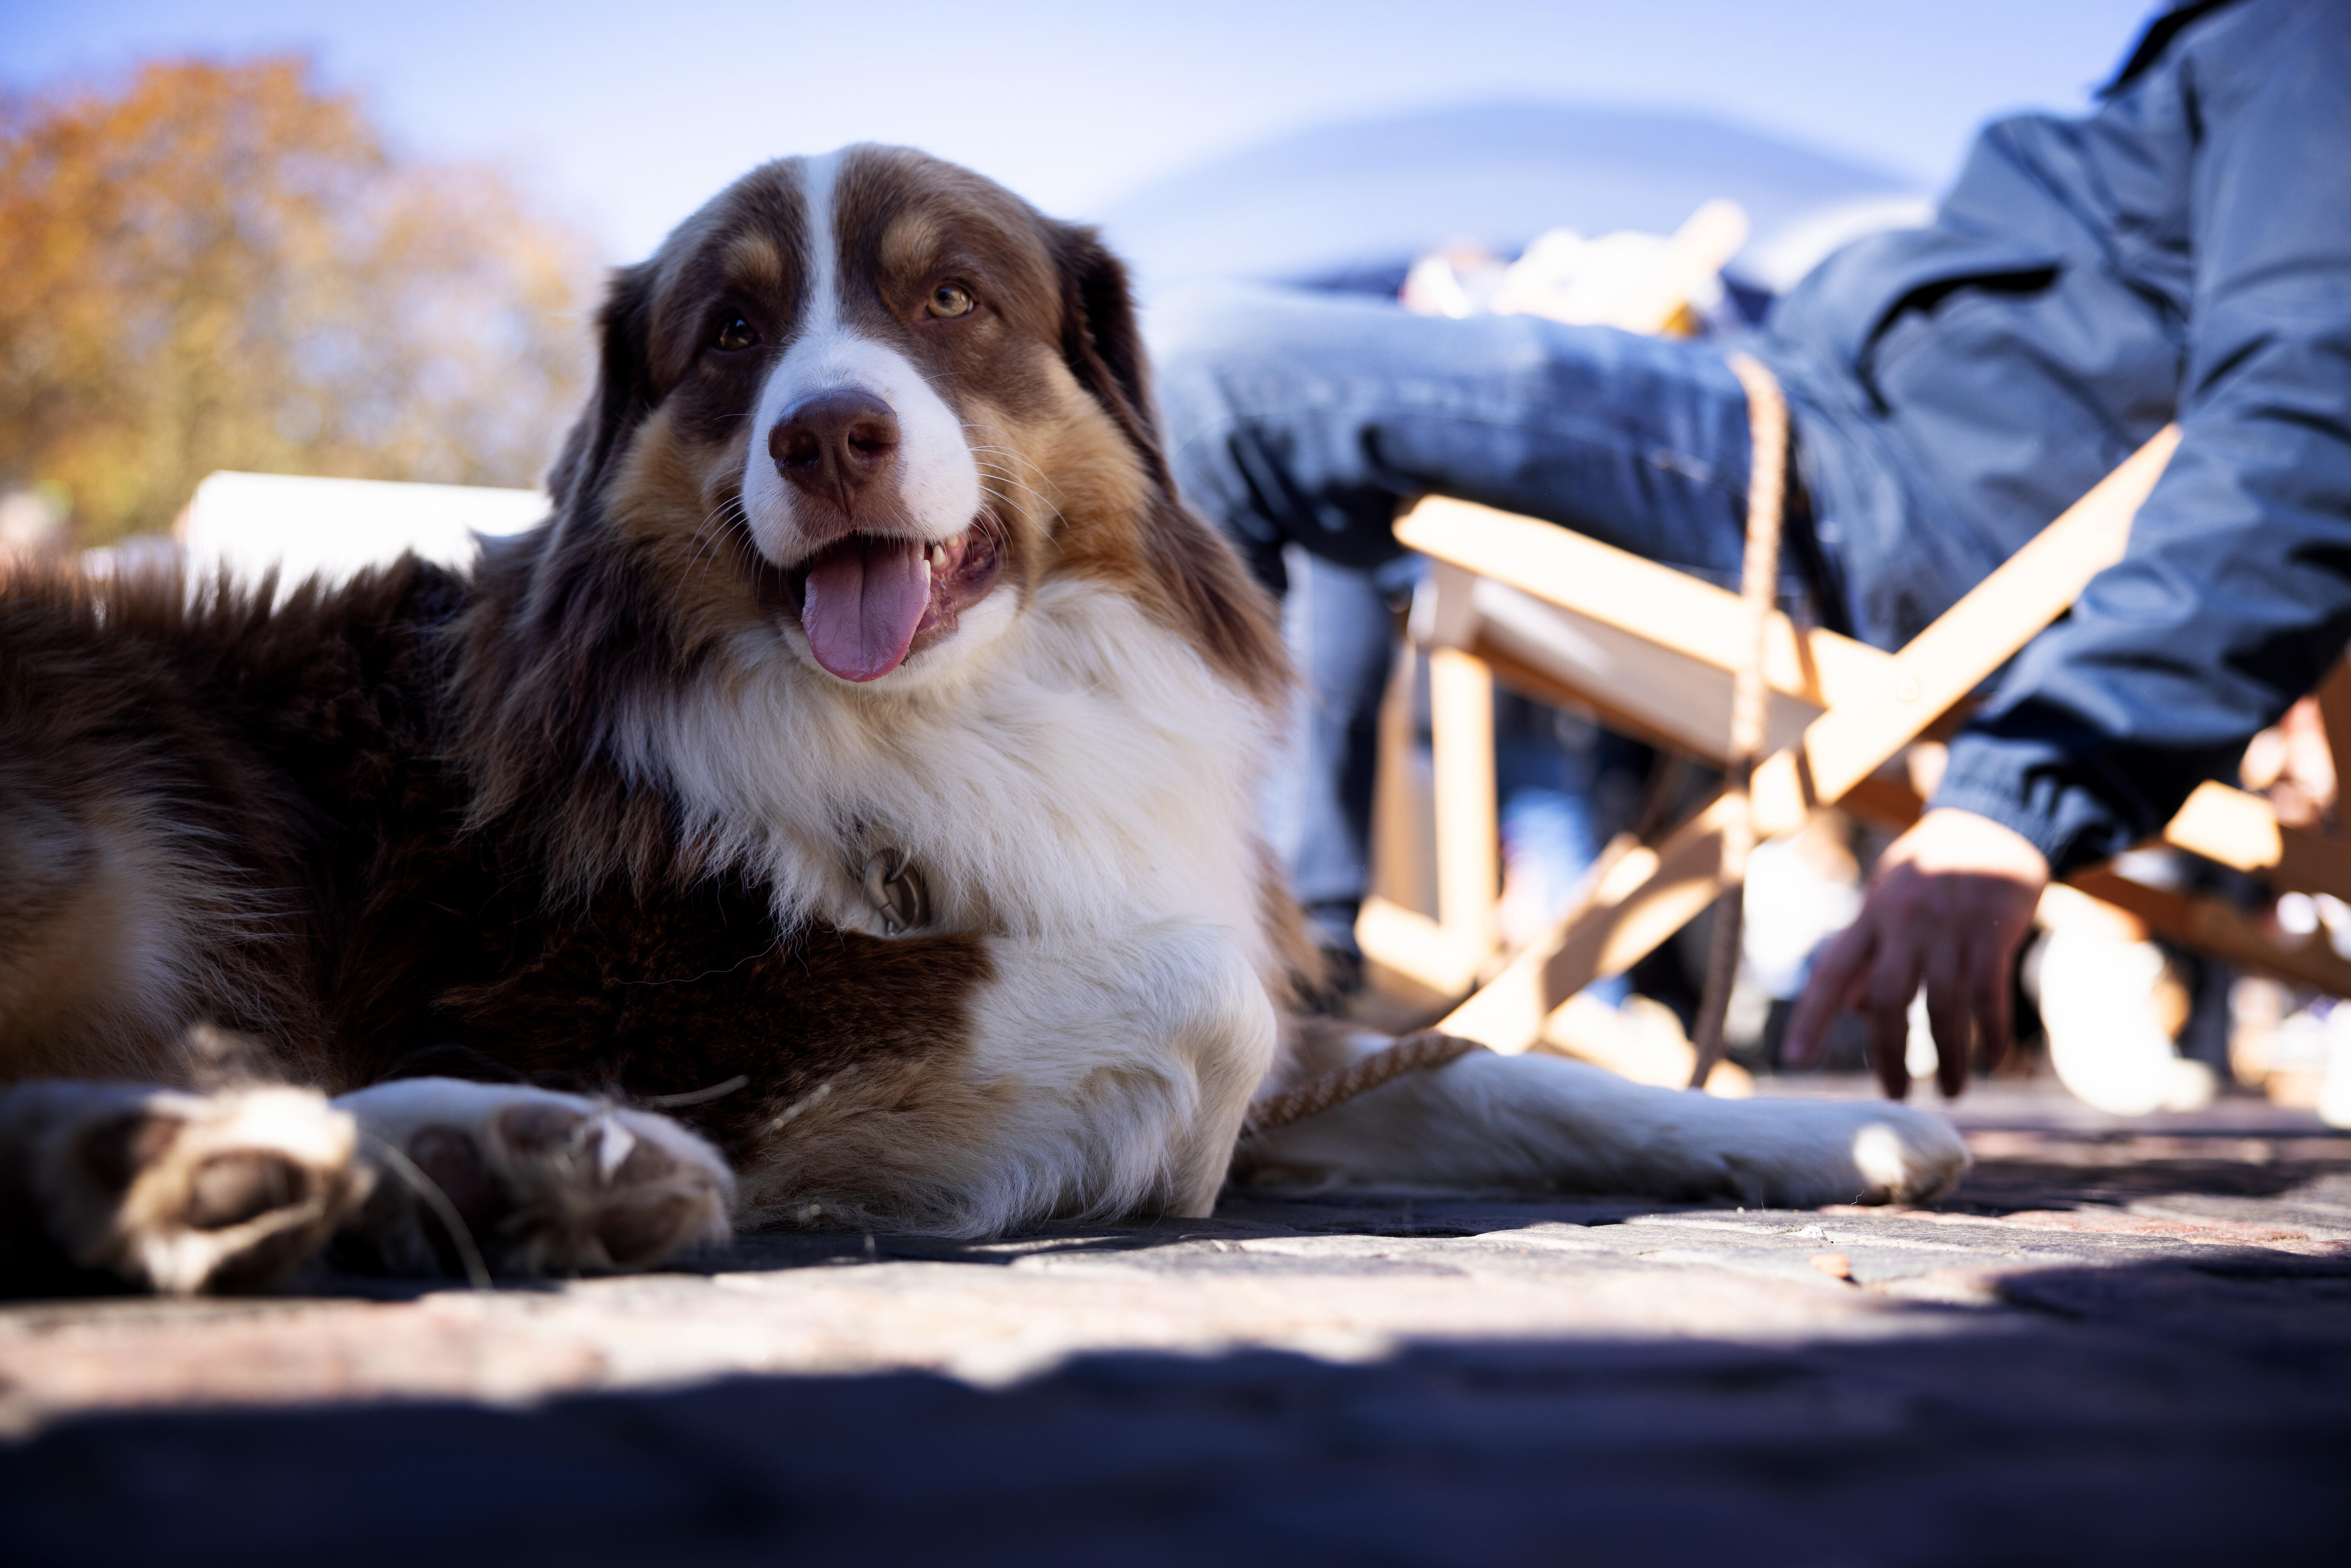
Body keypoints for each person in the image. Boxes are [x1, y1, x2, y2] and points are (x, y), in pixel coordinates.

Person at [1146, 0, 2351, 1097]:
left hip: (1855, 477)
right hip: (1830, 428)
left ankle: (1232, 1004)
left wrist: (2011, 803)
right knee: (1305, 445)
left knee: (1209, 375)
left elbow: (2308, 426)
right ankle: (1297, 973)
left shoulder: (2314, 37)